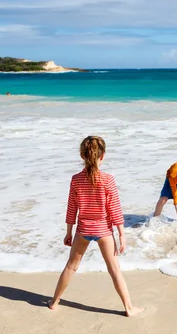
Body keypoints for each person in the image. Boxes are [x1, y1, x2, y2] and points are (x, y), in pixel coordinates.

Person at [48, 136, 143, 317]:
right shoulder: (107, 180)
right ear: (103, 156)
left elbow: (71, 208)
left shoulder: (76, 179)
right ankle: (129, 308)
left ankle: (54, 301)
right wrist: (122, 234)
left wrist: (68, 232)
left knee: (71, 267)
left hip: (83, 230)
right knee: (114, 269)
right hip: (104, 231)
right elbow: (114, 208)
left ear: (82, 155)